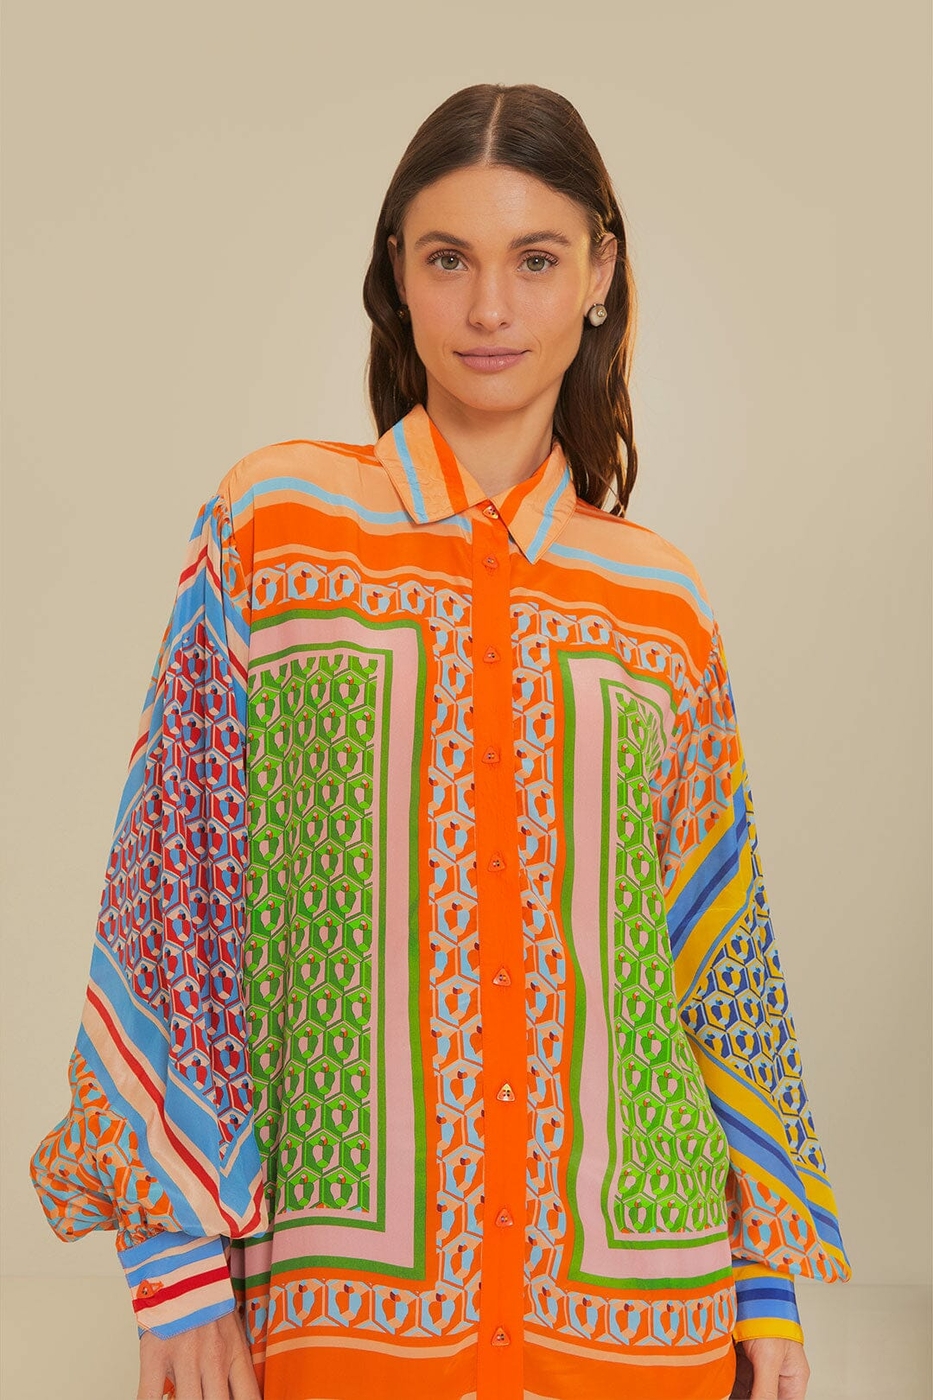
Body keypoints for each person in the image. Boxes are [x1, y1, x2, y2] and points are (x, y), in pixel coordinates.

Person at [30, 82, 850, 1400]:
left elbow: (714, 952)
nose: (489, 309)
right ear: (397, 279)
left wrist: (762, 1282)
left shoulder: (660, 599)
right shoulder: (273, 527)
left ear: (600, 274)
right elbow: (177, 891)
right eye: (449, 258)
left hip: (643, 1308)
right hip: (344, 1301)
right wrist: (172, 1259)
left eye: (536, 260)